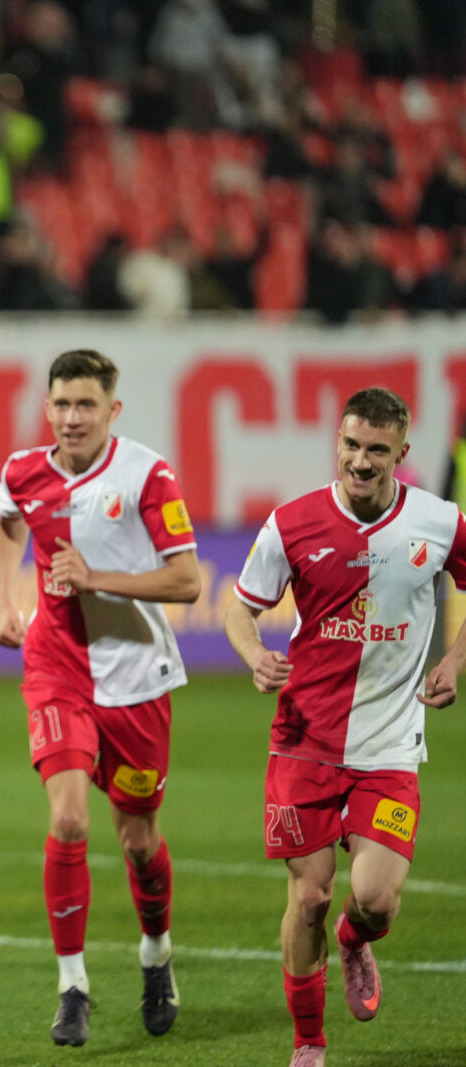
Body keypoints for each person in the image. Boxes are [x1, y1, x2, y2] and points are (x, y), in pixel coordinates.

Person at [224, 388, 466, 1067]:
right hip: (305, 742)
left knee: (376, 899)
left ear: (402, 454)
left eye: (377, 451)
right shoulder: (293, 523)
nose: (360, 462)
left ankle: (357, 939)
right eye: (352, 446)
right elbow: (241, 608)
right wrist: (254, 656)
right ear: (339, 441)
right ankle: (309, 1045)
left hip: (389, 745)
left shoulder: (439, 521)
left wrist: (454, 658)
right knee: (309, 896)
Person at [0, 350, 201, 1047]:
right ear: (47, 408)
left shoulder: (147, 473)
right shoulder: (23, 470)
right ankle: (73, 984)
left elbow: (188, 581)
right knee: (71, 819)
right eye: (61, 405)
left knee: (139, 841)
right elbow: (8, 519)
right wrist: (5, 600)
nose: (71, 418)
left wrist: (97, 577)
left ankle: (156, 953)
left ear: (112, 411)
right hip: (57, 665)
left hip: (137, 675)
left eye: (85, 405)